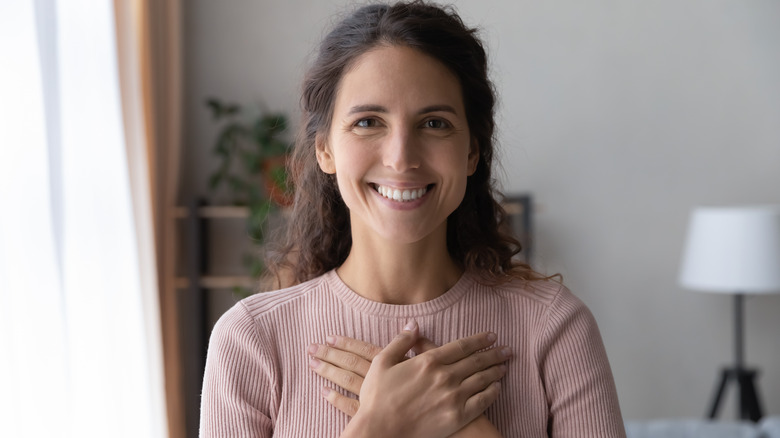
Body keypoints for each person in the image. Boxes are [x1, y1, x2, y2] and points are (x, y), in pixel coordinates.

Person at [199, 1, 626, 437]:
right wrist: (379, 427)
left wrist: (470, 429)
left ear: (472, 152)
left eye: (435, 123)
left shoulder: (554, 328)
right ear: (325, 149)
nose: (401, 158)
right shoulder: (251, 340)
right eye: (368, 122)